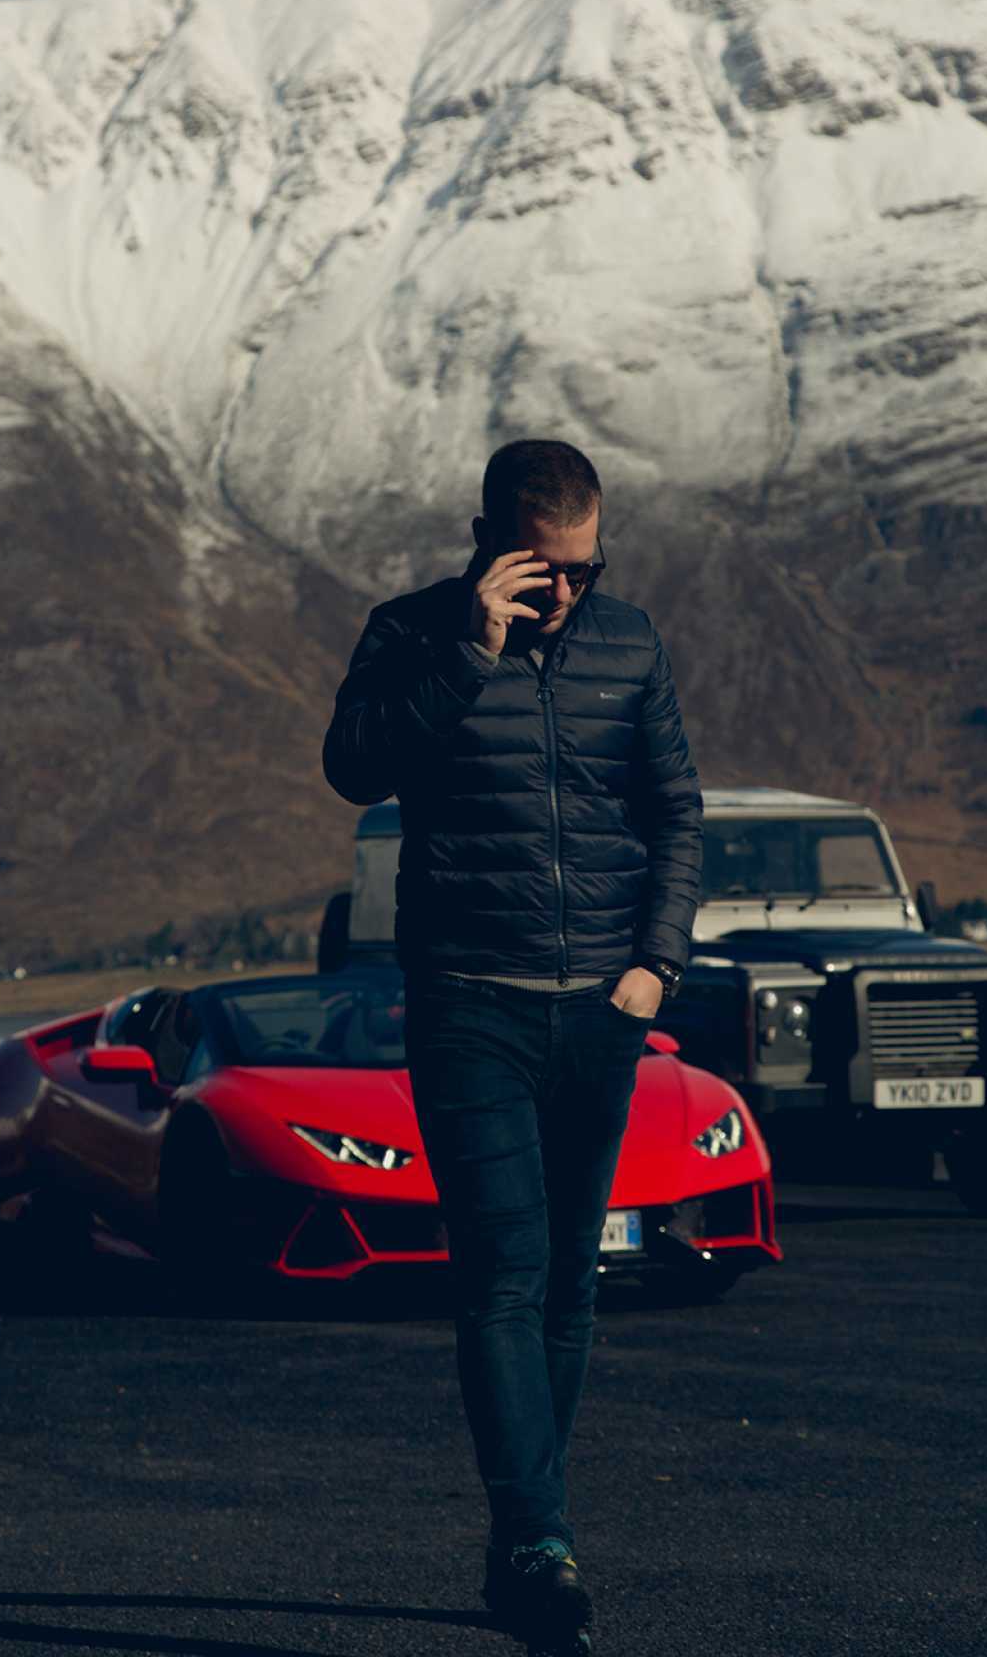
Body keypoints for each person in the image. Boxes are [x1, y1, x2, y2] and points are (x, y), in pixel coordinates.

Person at [322, 439, 702, 1650]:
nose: (568, 595)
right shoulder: (407, 632)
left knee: (567, 1287)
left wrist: (653, 965)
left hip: (602, 1011)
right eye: (548, 572)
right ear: (491, 541)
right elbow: (354, 769)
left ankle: (519, 1528)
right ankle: (541, 1540)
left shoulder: (631, 643)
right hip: (467, 1006)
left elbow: (674, 811)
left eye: (587, 572)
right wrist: (468, 655)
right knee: (499, 1274)